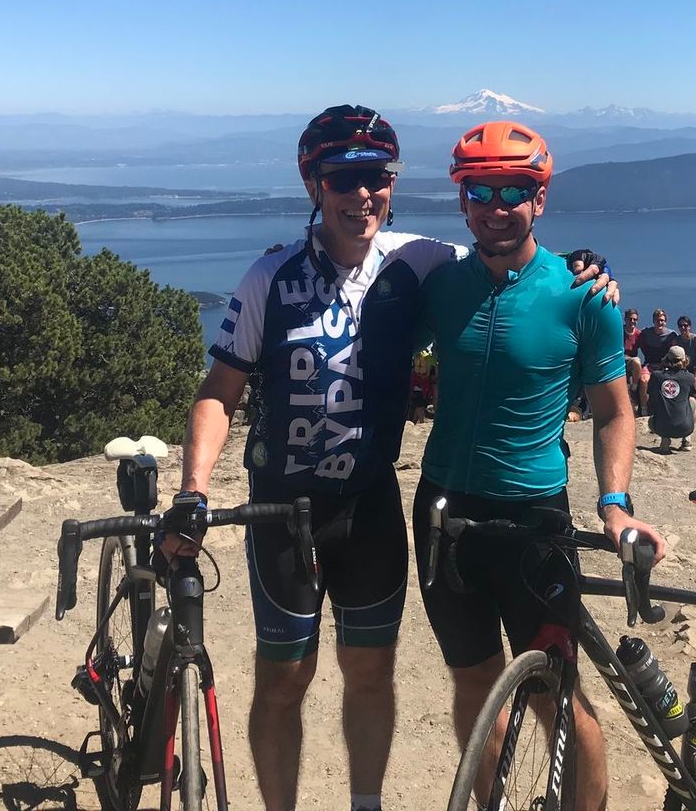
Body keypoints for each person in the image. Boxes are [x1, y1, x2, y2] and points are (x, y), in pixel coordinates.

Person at [162, 105, 609, 811]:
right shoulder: (269, 276)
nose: (362, 193)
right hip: (283, 510)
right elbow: (219, 391)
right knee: (283, 680)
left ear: (392, 184)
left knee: (370, 673)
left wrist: (584, 267)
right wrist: (193, 487)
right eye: (344, 179)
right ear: (314, 185)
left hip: (369, 506)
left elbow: (508, 257)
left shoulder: (418, 262)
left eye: (376, 176)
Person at [412, 120, 667, 811]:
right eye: (480, 191)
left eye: (514, 192)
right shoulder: (440, 286)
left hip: (535, 521)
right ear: (461, 199)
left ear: (541, 198)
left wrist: (614, 504)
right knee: (475, 686)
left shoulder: (583, 295)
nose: (496, 207)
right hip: (443, 517)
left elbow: (614, 411)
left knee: (560, 696)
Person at [647, 343, 696, 453]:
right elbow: (694, 394)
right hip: (684, 428)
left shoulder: (656, 376)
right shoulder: (689, 378)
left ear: (666, 359)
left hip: (660, 427)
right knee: (692, 401)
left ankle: (665, 440)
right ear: (684, 360)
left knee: (660, 403)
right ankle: (686, 440)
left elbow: (650, 395)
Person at [635, 308, 677, 414]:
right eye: (658, 320)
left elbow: (679, 347)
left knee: (666, 382)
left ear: (665, 321)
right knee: (644, 380)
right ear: (653, 321)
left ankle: (668, 410)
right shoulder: (646, 333)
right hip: (650, 365)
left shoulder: (671, 335)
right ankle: (644, 409)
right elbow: (635, 337)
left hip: (665, 366)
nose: (660, 322)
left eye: (662, 320)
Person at [621, 308, 644, 413]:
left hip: (630, 362)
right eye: (630, 319)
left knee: (636, 361)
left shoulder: (638, 334)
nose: (632, 321)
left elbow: (646, 349)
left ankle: (634, 387)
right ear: (625, 319)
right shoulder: (619, 331)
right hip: (618, 361)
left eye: (635, 319)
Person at [674, 314, 696, 380]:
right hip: (685, 368)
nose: (683, 327)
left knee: (695, 384)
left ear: (689, 327)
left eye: (685, 325)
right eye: (680, 326)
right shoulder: (676, 340)